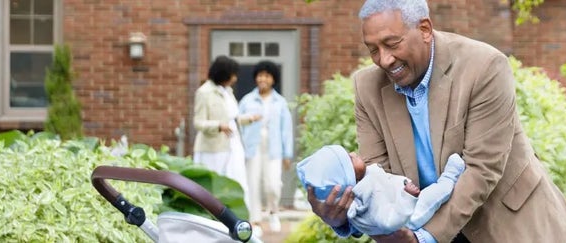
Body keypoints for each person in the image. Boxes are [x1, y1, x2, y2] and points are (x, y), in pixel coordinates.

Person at [306, 0, 566, 242]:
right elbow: (380, 180)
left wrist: (422, 238)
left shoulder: (484, 66)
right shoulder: (367, 86)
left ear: (424, 29)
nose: (384, 60)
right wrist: (341, 218)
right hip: (424, 224)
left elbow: (482, 169)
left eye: (391, 44)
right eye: (373, 49)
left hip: (511, 224)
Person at [296, 145, 465, 236]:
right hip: (408, 215)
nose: (355, 153)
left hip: (400, 203)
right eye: (350, 158)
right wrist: (408, 197)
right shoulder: (363, 198)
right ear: (347, 179)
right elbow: (388, 222)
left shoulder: (363, 182)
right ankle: (449, 178)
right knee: (433, 196)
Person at [238, 60, 294, 233]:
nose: (263, 79)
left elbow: (286, 129)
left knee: (273, 185)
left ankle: (273, 211)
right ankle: (255, 221)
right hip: (252, 148)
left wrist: (287, 154)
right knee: (253, 184)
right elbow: (238, 124)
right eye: (260, 75)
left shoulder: (280, 102)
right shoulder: (247, 100)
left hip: (274, 149)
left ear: (273, 79)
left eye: (267, 76)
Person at [193, 55, 252, 215]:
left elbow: (233, 117)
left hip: (232, 144)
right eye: (232, 74)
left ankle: (238, 217)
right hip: (213, 148)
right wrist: (219, 126)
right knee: (214, 186)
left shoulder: (228, 92)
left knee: (236, 180)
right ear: (223, 74)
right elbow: (198, 122)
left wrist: (249, 119)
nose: (235, 78)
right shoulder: (204, 92)